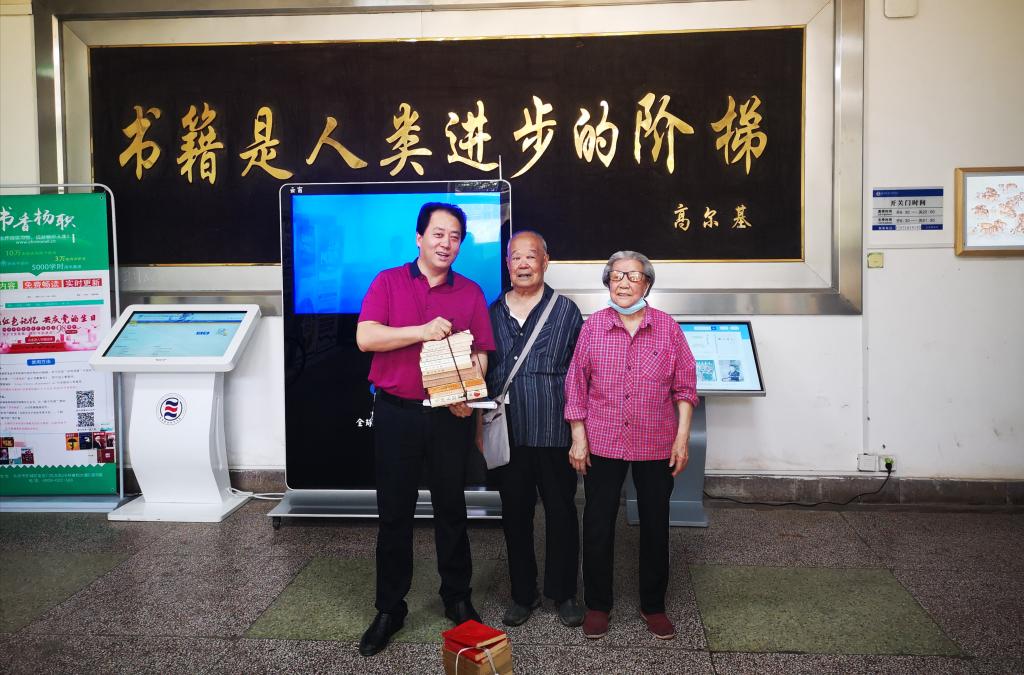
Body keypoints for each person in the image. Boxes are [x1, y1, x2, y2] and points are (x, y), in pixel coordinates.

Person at [355, 202, 496, 657]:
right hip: (397, 414)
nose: (446, 243)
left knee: (451, 508)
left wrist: (466, 389)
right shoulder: (388, 282)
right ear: (419, 238)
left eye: (455, 236)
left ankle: (456, 596)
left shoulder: (470, 292)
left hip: (448, 416)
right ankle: (389, 608)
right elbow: (366, 337)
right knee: (394, 513)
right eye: (438, 234)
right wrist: (421, 331)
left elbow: (481, 353)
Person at [564, 250, 698, 641]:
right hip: (603, 440)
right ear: (607, 282)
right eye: (616, 275)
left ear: (647, 284)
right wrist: (578, 437)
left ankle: (653, 606)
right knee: (598, 523)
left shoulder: (668, 328)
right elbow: (575, 385)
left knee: (656, 524)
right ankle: (597, 605)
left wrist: (682, 438)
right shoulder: (593, 327)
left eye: (633, 276)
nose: (624, 283)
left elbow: (686, 387)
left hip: (656, 442)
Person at [485, 230, 585, 628]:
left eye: (531, 256)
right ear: (507, 264)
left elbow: (580, 375)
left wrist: (580, 433)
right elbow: (482, 369)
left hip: (554, 429)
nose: (523, 264)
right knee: (515, 514)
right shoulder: (492, 312)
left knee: (562, 512)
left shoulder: (566, 311)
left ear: (545, 262)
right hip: (508, 431)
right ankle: (522, 594)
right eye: (516, 257)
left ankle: (564, 593)